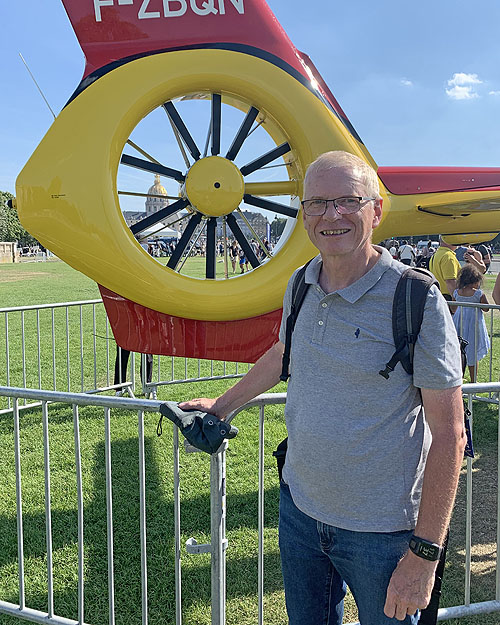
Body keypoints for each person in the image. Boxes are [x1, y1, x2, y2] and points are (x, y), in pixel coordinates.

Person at [180, 151, 465, 624]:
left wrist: (425, 553)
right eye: (316, 203)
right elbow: (282, 354)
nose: (331, 215)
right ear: (304, 215)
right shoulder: (301, 284)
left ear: (375, 211)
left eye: (347, 200)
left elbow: (450, 432)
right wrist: (223, 405)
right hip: (301, 512)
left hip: (384, 532)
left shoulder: (413, 298)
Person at [452, 265, 490, 382]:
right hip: (473, 323)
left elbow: (453, 307)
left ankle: (460, 377)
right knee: (472, 350)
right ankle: (474, 380)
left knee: (459, 350)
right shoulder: (478, 294)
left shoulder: (457, 292)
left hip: (459, 321)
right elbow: (486, 308)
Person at [429, 236, 461, 300]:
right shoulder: (448, 256)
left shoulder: (436, 254)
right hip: (448, 296)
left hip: (438, 294)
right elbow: (450, 281)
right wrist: (457, 300)